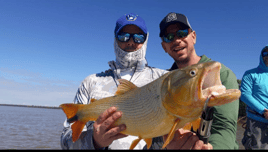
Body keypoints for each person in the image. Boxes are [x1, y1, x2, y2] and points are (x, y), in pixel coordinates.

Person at [60, 13, 168, 150]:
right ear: (115, 39)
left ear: (146, 41)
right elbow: (65, 142)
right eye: (124, 36)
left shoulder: (164, 79)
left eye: (138, 37)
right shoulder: (90, 82)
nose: (130, 42)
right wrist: (94, 141)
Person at [145, 12, 240, 150]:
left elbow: (224, 128)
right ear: (164, 47)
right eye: (169, 37)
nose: (176, 40)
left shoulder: (220, 73)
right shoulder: (164, 81)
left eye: (182, 33)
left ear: (193, 37)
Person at [240, 45, 268, 150]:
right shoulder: (250, 74)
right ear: (261, 56)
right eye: (265, 53)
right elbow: (244, 95)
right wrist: (264, 111)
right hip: (257, 122)